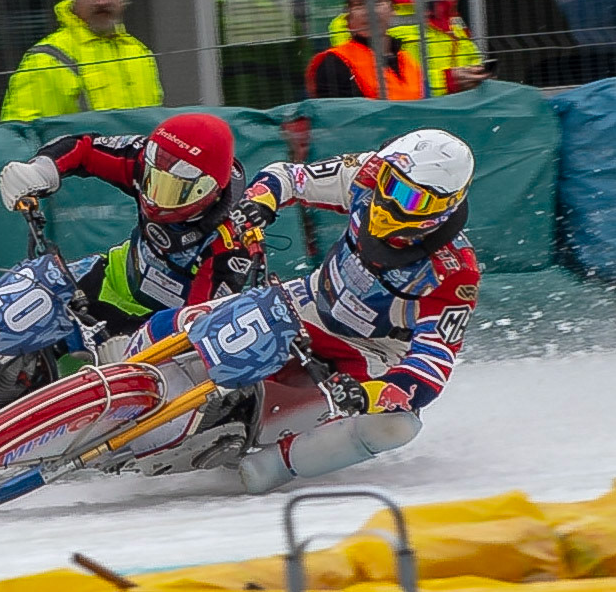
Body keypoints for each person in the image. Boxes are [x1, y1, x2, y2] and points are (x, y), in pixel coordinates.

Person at [127, 128, 480, 493]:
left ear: (443, 206)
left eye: (409, 197)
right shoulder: (367, 175)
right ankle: (120, 366)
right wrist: (260, 202)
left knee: (397, 426)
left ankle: (275, 465)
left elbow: (433, 361)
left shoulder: (454, 271)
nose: (387, 198)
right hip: (308, 302)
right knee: (187, 320)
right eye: (390, 182)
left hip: (371, 352)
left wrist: (371, 395)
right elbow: (290, 177)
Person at [0, 113, 273, 337]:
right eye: (154, 180)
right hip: (111, 278)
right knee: (25, 293)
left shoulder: (232, 241)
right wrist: (41, 170)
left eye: (174, 190)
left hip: (158, 327)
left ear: (209, 190)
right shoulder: (149, 159)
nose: (156, 198)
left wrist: (141, 343)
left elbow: (197, 327)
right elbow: (85, 149)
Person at [0, 0, 163, 122]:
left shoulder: (138, 51)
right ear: (73, 2)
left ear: (122, 0)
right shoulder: (48, 58)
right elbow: (23, 130)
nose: (101, 1)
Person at [329, 0, 489, 96]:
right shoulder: (352, 22)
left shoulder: (445, 8)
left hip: (458, 111)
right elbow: (364, 79)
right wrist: (446, 81)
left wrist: (477, 75)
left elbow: (468, 56)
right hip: (404, 118)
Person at [306, 0, 423, 99]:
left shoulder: (408, 62)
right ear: (348, 18)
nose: (370, 11)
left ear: (393, 10)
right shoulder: (333, 62)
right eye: (359, 4)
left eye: (377, 2)